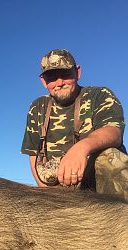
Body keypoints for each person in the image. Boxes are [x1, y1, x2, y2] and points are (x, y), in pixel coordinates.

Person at [21, 49, 127, 199]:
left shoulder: (100, 95)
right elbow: (33, 153)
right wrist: (47, 194)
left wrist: (81, 148)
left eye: (65, 74)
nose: (59, 83)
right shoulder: (37, 107)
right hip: (57, 189)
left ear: (78, 72)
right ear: (44, 81)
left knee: (110, 157)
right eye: (51, 77)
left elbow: (113, 132)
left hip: (96, 181)